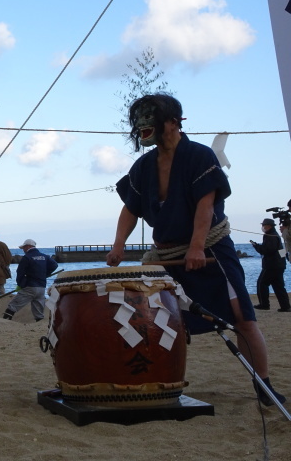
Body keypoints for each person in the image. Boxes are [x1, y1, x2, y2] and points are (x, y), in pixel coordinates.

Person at [106, 93, 286, 406]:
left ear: (175, 122)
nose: (142, 127)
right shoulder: (143, 166)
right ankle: (158, 381)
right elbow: (130, 209)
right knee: (156, 320)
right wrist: (118, 246)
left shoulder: (200, 156)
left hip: (211, 250)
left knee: (243, 318)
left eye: (151, 119)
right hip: (165, 255)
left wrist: (197, 247)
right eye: (139, 122)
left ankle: (264, 386)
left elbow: (207, 204)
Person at [3, 239, 58, 322]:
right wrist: (45, 274)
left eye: (24, 248)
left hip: (30, 286)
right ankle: (39, 324)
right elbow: (54, 265)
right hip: (41, 287)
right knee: (38, 310)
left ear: (28, 246)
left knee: (14, 305)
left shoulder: (27, 257)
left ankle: (5, 321)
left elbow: (20, 272)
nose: (23, 250)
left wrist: (20, 284)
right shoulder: (44, 256)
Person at [251, 218, 290, 312]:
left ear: (269, 226)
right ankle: (285, 306)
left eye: (264, 225)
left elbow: (268, 250)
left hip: (272, 265)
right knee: (278, 285)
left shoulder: (270, 235)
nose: (263, 227)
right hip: (278, 265)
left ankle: (264, 304)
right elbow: (280, 250)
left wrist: (257, 247)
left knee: (262, 283)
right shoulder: (275, 235)